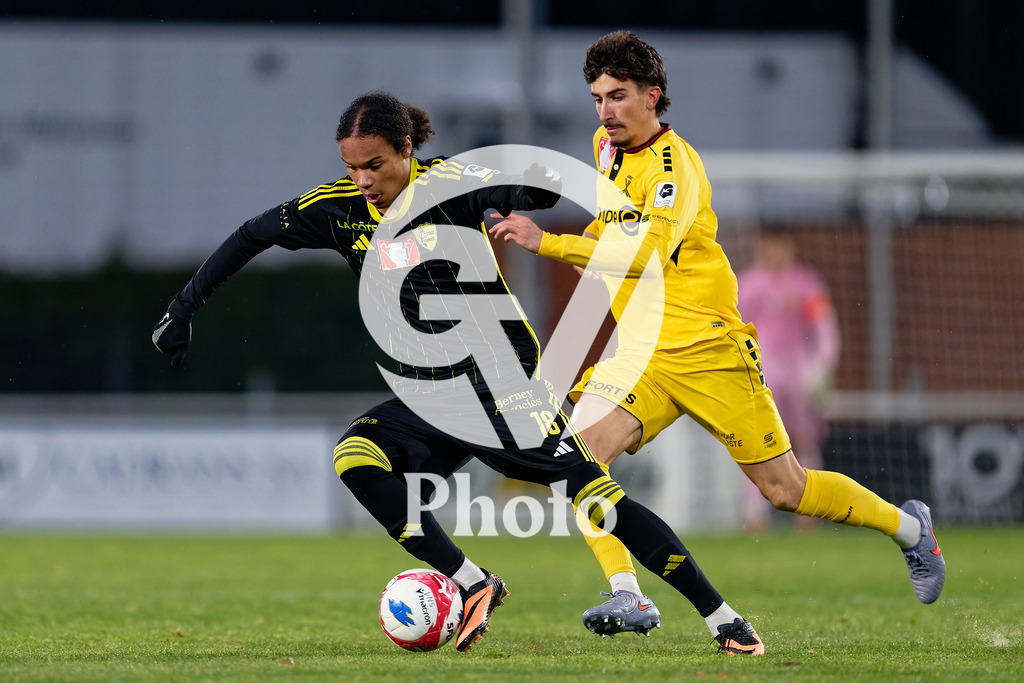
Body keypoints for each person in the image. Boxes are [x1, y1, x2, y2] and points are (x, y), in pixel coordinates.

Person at [153, 91, 764, 656]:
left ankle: (724, 620)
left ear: (406, 151)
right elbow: (249, 235)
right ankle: (472, 583)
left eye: (376, 164)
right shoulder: (338, 210)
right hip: (431, 394)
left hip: (505, 386)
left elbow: (539, 193)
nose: (364, 180)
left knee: (594, 496)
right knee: (357, 457)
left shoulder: (451, 184)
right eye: (353, 167)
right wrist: (182, 310)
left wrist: (528, 182)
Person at [490, 29, 946, 639]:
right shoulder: (606, 145)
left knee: (786, 490)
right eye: (597, 97)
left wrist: (547, 242)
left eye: (618, 96)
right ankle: (628, 593)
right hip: (645, 354)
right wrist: (586, 249)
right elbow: (611, 225)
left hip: (709, 350)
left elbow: (646, 250)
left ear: (653, 96)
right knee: (578, 460)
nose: (605, 111)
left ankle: (912, 530)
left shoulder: (677, 170)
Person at [737, 228, 840, 531]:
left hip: (798, 372)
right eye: (768, 245)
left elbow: (825, 326)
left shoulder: (806, 284)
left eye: (780, 245)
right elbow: (734, 328)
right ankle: (754, 514)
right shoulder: (747, 285)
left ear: (789, 247)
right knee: (756, 443)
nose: (774, 251)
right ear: (760, 247)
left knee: (803, 440)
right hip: (761, 373)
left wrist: (823, 365)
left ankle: (810, 509)